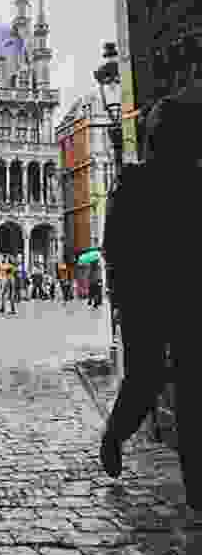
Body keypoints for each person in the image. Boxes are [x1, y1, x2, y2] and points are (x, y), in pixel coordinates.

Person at [100, 87, 202, 512]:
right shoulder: (135, 186)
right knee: (148, 377)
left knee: (186, 382)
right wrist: (123, 297)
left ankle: (197, 486)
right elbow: (115, 248)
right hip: (149, 297)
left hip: (179, 296)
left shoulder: (185, 184)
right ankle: (116, 434)